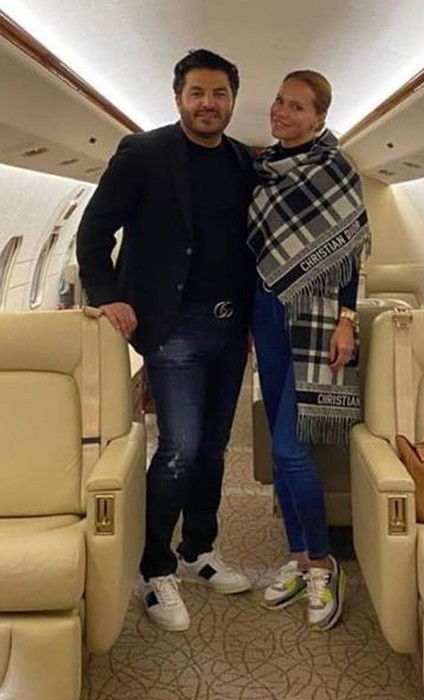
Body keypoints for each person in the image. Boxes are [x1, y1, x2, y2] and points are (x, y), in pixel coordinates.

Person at [77, 49, 256, 632]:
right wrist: (108, 294)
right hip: (173, 325)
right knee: (179, 446)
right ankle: (154, 568)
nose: (209, 103)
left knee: (214, 446)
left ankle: (198, 548)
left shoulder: (243, 162)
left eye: (220, 93)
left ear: (233, 100)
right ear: (178, 97)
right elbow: (93, 231)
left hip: (230, 324)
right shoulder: (143, 153)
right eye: (197, 93)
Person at [248, 70, 369, 631]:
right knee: (280, 449)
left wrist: (347, 321)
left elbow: (349, 254)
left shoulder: (336, 170)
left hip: (316, 318)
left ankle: (323, 564)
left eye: (297, 106)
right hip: (266, 312)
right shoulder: (262, 169)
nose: (282, 111)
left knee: (290, 447)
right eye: (279, 101)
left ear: (320, 116)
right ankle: (297, 558)